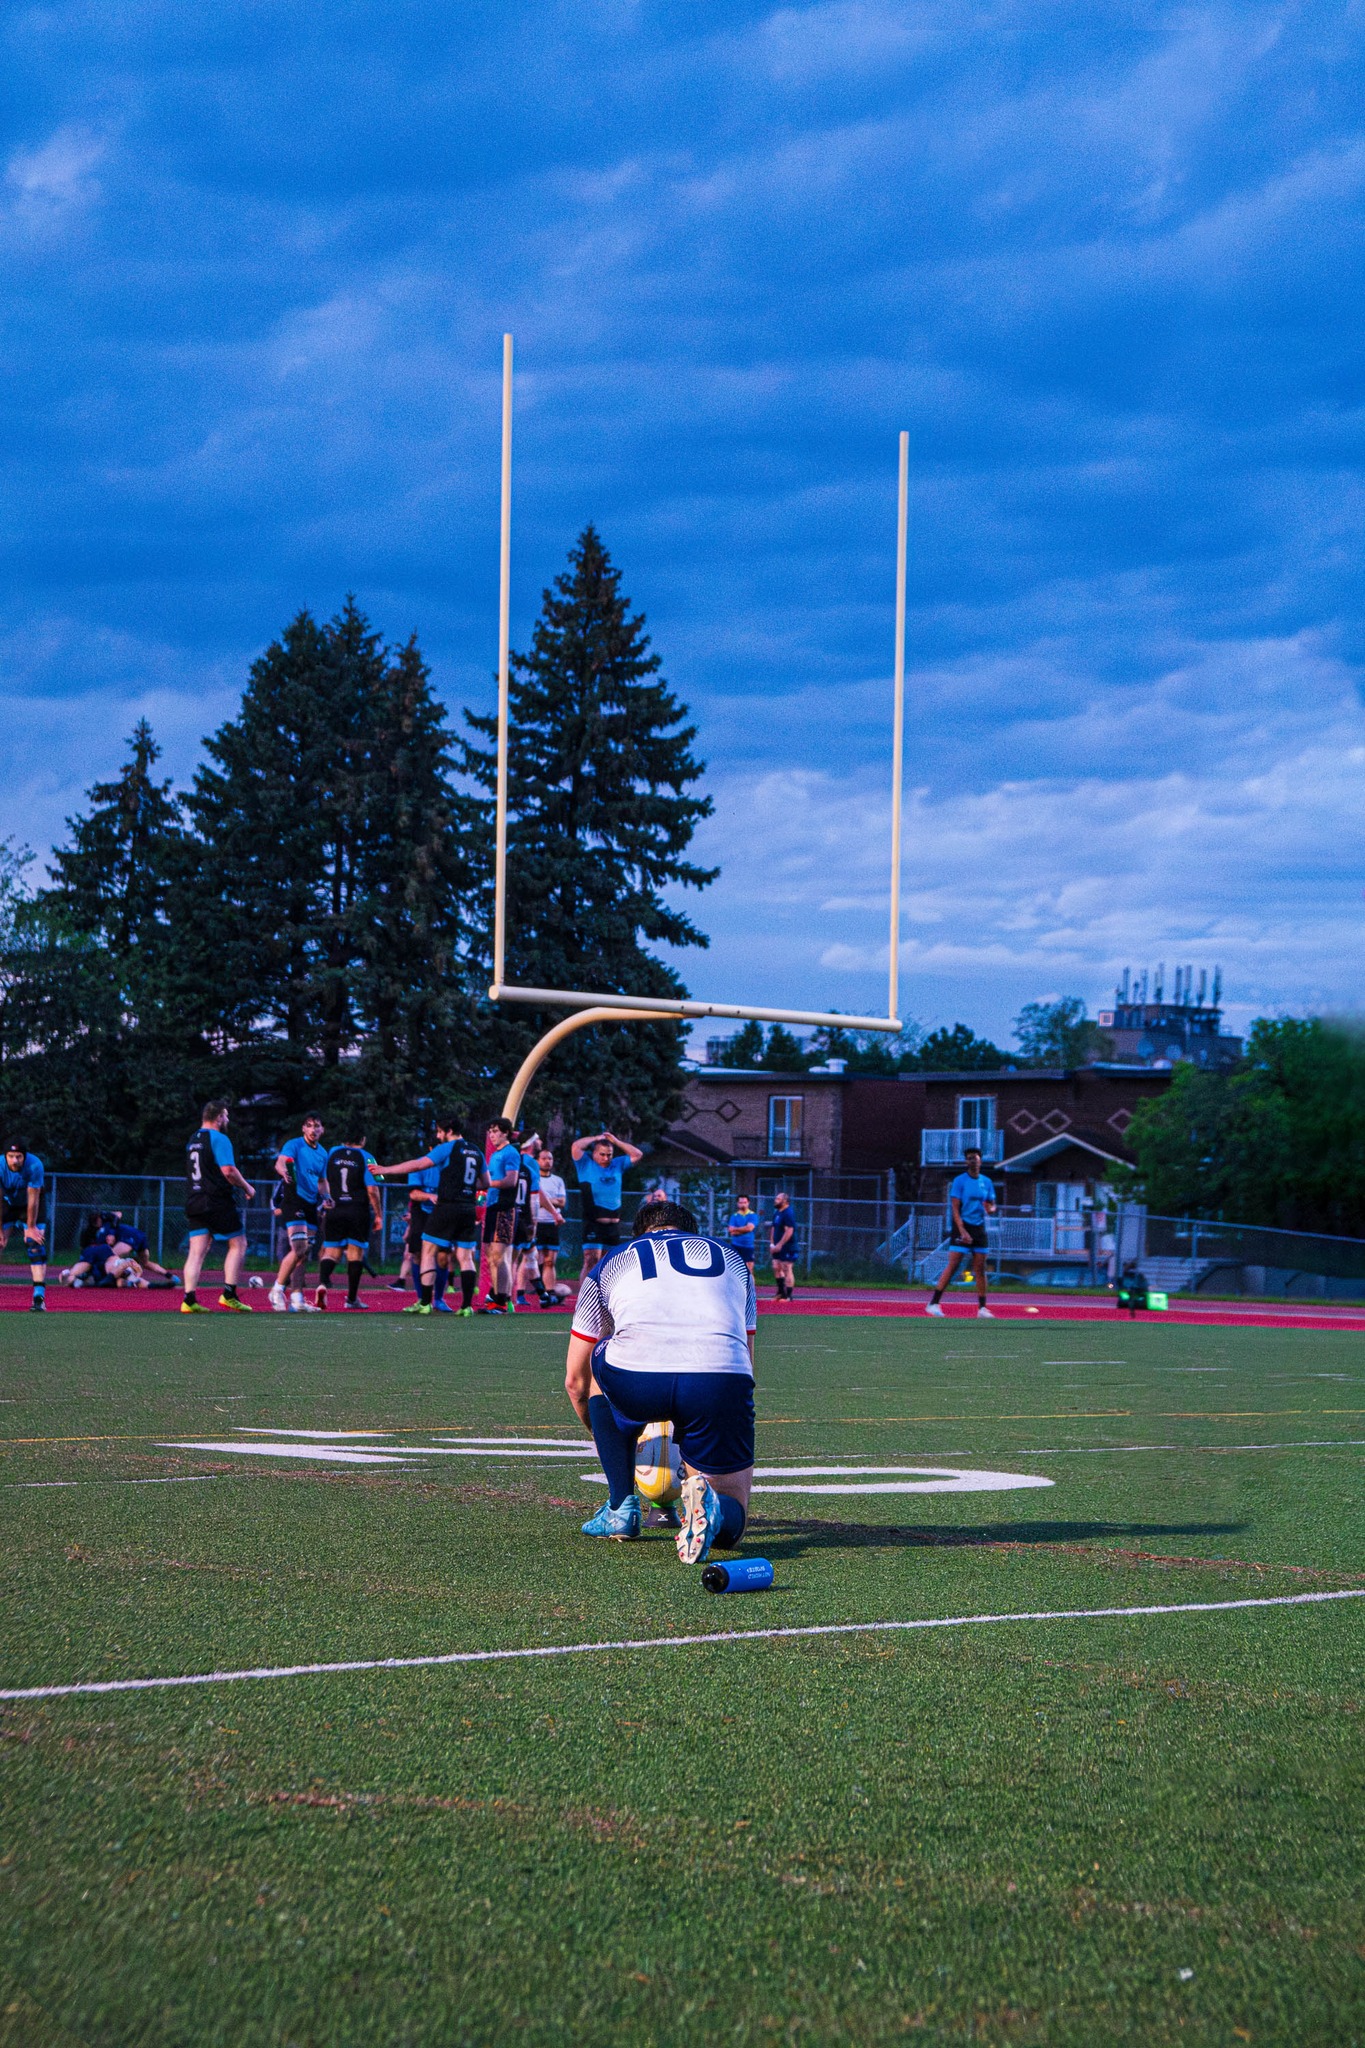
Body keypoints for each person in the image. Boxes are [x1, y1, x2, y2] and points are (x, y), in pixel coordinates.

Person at [564, 1197, 757, 1561]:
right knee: (734, 1513)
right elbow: (746, 1359)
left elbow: (575, 1380)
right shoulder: (733, 1260)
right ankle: (714, 1509)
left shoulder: (613, 1260)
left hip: (636, 1377)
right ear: (692, 1235)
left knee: (594, 1367)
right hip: (719, 1378)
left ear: (640, 1235)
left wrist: (612, 1439)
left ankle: (621, 1505)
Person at [373, 1118, 489, 1316]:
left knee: (427, 1251)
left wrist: (386, 1170)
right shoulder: (476, 1151)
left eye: (439, 1131)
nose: (437, 1136)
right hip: (468, 1208)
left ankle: (425, 1303)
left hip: (447, 1207)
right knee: (465, 1257)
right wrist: (465, 1186)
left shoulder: (448, 1148)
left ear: (448, 1130)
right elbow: (486, 1183)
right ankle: (466, 1306)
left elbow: (418, 1165)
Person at [181, 1102, 256, 1313]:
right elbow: (229, 1171)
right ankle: (229, 1294)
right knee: (238, 1244)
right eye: (227, 1116)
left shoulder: (193, 1139)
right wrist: (248, 1187)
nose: (228, 1120)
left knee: (197, 1251)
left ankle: (189, 1299)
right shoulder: (219, 1138)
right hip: (215, 1200)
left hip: (194, 1199)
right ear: (220, 1117)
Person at [926, 1146, 996, 1319]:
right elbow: (955, 1209)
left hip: (979, 1228)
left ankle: (982, 1308)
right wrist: (962, 1231)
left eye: (976, 1157)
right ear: (966, 1162)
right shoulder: (960, 1181)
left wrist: (991, 1208)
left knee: (980, 1268)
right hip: (961, 1226)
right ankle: (933, 1303)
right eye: (970, 1158)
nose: (973, 1160)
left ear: (980, 1160)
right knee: (954, 1265)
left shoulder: (986, 1182)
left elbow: (991, 1204)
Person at [316, 1134, 381, 1311]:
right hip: (357, 1210)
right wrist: (379, 1214)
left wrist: (325, 1200)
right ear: (363, 1139)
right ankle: (352, 1299)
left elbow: (322, 1179)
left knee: (332, 1252)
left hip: (334, 1208)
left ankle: (322, 1284)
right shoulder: (366, 1156)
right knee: (355, 1254)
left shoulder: (331, 1153)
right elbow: (373, 1189)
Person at [270, 1115, 328, 1312]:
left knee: (304, 1254)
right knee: (299, 1248)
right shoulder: (294, 1145)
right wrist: (282, 1170)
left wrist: (327, 1196)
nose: (313, 1130)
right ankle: (277, 1289)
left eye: (317, 1126)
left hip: (312, 1204)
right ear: (303, 1128)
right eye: (309, 1126)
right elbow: (280, 1162)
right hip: (294, 1198)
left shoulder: (322, 1153)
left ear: (322, 1130)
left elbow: (321, 1181)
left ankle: (297, 1298)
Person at [571, 1129, 643, 1279]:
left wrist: (616, 1141)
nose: (606, 1158)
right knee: (591, 1260)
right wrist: (596, 1138)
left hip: (613, 1224)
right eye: (602, 1154)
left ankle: (602, 1298)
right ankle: (585, 1297)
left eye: (609, 1154)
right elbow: (576, 1146)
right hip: (594, 1221)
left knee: (608, 1264)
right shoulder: (585, 1164)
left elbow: (637, 1154)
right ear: (595, 1153)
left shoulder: (617, 1164)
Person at [479, 1116, 522, 1313]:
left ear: (505, 1132)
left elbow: (510, 1181)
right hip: (492, 1207)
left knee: (499, 1255)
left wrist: (488, 1184)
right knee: (490, 1255)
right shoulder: (494, 1155)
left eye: (495, 1131)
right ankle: (496, 1296)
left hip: (504, 1208)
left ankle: (501, 1299)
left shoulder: (510, 1152)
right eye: (490, 1132)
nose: (492, 1135)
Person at [1, 1140, 48, 1311]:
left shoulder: (34, 1165)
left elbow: (33, 1199)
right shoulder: (0, 1166)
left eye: (18, 1156)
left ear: (24, 1156)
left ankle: (38, 1297)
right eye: (11, 1156)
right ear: (5, 1156)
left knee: (34, 1244)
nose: (14, 1161)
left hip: (32, 1205)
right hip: (8, 1204)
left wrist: (31, 1227)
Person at [533, 1147, 568, 1304]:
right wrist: (549, 1201)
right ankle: (532, 1290)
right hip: (537, 1222)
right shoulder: (535, 1179)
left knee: (550, 1260)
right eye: (544, 1158)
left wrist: (544, 1201)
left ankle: (550, 1291)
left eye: (550, 1158)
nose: (547, 1161)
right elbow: (535, 1199)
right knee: (535, 1258)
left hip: (552, 1223)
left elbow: (562, 1202)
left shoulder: (557, 1180)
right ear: (538, 1160)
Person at [512, 1134, 542, 1307]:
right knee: (517, 1256)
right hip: (522, 1216)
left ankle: (541, 1293)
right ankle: (509, 1296)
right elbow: (535, 1196)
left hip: (508, 1213)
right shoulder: (530, 1164)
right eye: (537, 1139)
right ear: (530, 1143)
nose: (541, 1143)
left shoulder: (513, 1159)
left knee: (525, 1255)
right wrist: (534, 1223)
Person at [769, 1191, 798, 1301]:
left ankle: (788, 1295)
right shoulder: (777, 1213)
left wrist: (780, 1244)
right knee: (776, 1266)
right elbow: (773, 1228)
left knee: (786, 1267)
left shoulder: (788, 1213)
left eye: (778, 1199)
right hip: (777, 1246)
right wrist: (772, 1244)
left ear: (785, 1201)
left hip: (788, 1246)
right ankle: (781, 1292)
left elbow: (789, 1230)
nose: (775, 1201)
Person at [725, 1194, 758, 1269]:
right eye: (741, 1203)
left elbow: (749, 1228)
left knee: (749, 1270)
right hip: (736, 1245)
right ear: (737, 1203)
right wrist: (744, 1229)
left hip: (748, 1246)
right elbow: (731, 1231)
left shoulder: (752, 1215)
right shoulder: (734, 1216)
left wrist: (736, 1229)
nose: (743, 1204)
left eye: (745, 1202)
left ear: (748, 1203)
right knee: (735, 1269)